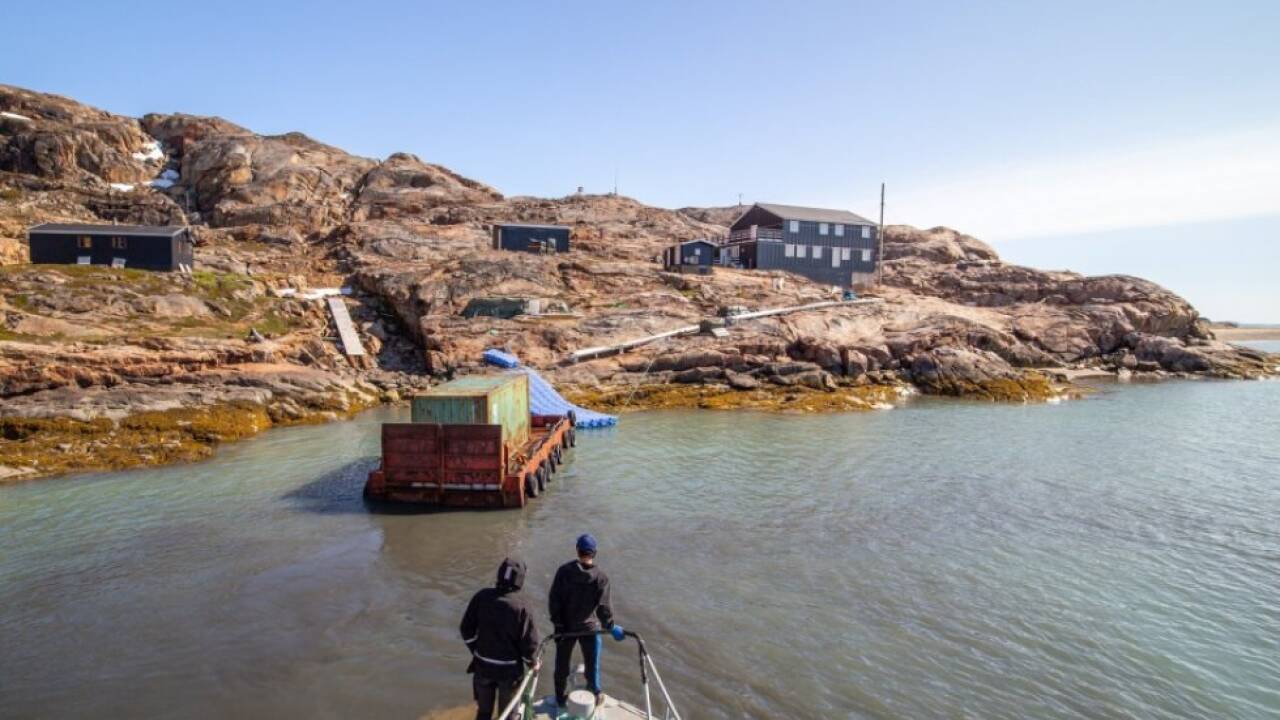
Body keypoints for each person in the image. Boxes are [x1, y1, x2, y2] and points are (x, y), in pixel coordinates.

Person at [548, 533, 626, 708]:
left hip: (565, 628)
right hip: (590, 628)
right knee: (593, 665)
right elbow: (604, 610)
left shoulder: (563, 572)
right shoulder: (601, 578)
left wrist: (558, 625)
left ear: (577, 550)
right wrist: (611, 627)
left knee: (562, 665)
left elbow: (554, 601)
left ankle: (560, 698)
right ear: (594, 553)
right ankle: (595, 693)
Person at [460, 558, 541, 720]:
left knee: (483, 713)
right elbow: (529, 644)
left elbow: (466, 629)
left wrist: (476, 650)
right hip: (509, 673)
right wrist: (533, 662)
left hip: (482, 667)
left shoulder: (481, 597)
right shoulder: (523, 606)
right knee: (509, 714)